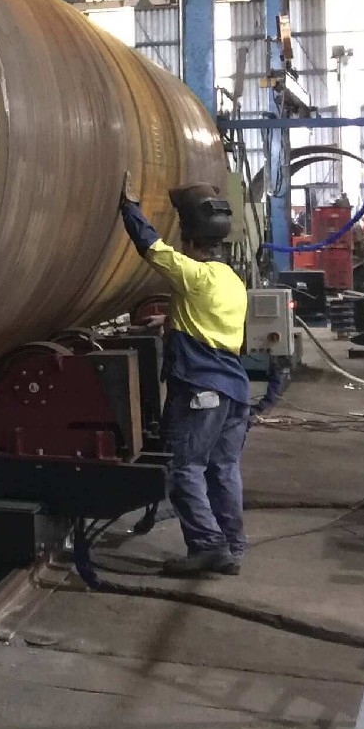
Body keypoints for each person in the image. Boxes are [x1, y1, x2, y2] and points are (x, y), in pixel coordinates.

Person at [118, 179, 253, 576]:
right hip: (234, 390)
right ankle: (232, 546)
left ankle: (207, 546)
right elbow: (207, 317)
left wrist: (129, 207)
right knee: (223, 469)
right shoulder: (232, 281)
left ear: (191, 242)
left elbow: (151, 248)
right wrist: (170, 320)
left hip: (201, 388)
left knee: (184, 468)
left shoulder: (194, 275)